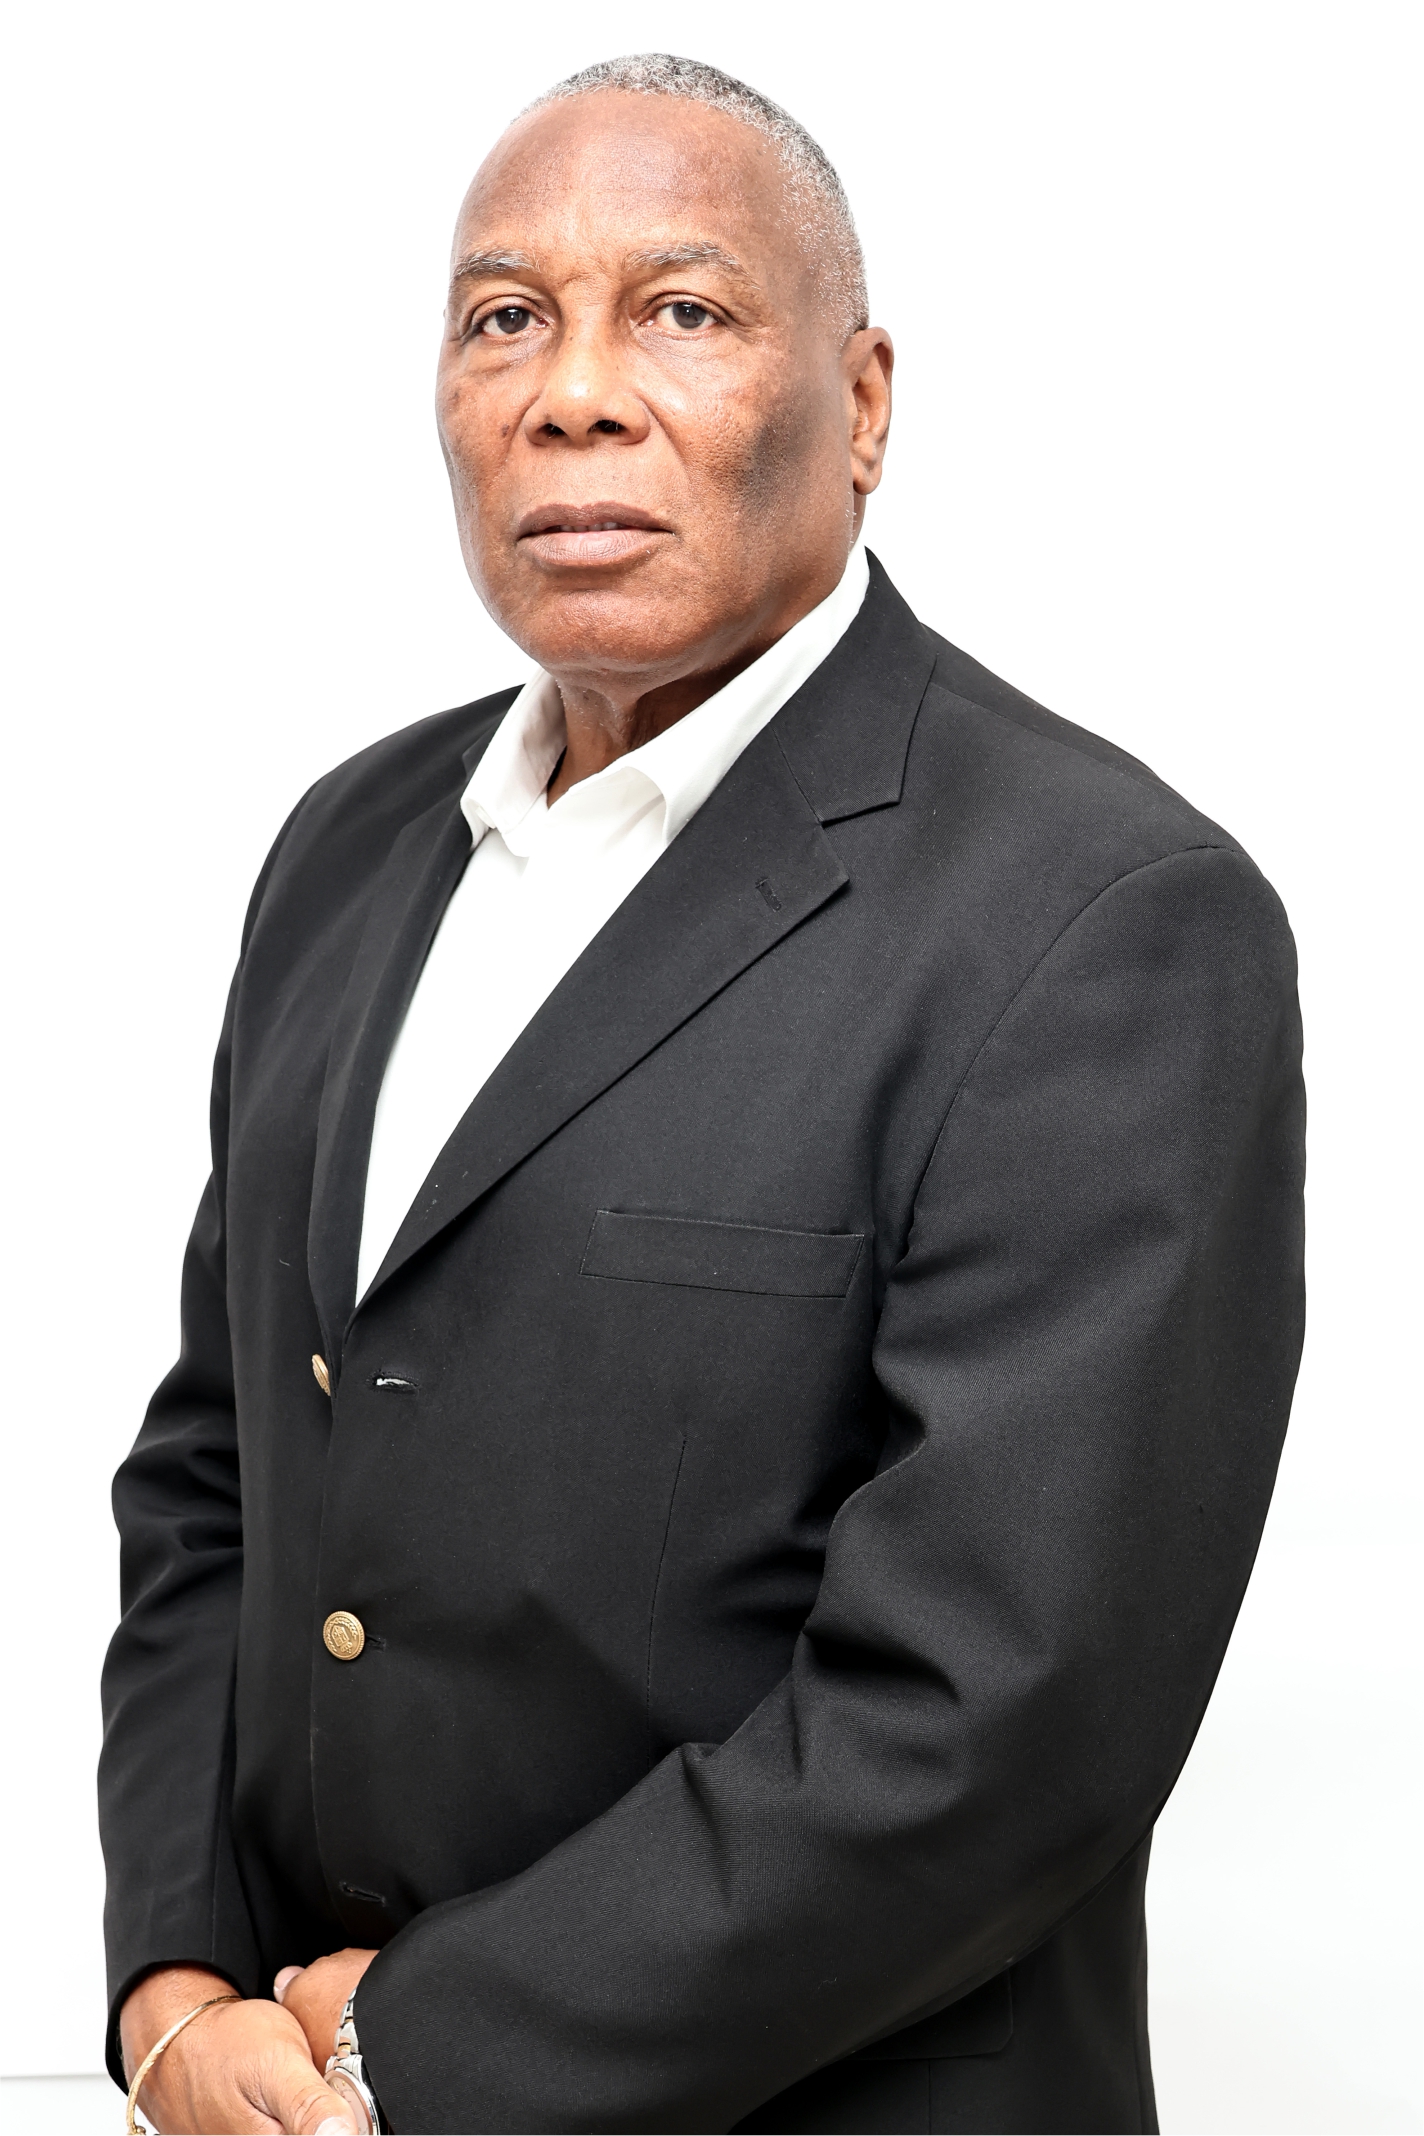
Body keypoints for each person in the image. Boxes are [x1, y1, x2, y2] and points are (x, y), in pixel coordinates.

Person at [100, 52, 1306, 2136]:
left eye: (681, 309)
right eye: (506, 317)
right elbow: (219, 1473)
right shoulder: (346, 848)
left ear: (862, 402)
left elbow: (1003, 1713)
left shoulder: (1101, 916)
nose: (573, 392)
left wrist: (419, 2051)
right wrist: (175, 1979)